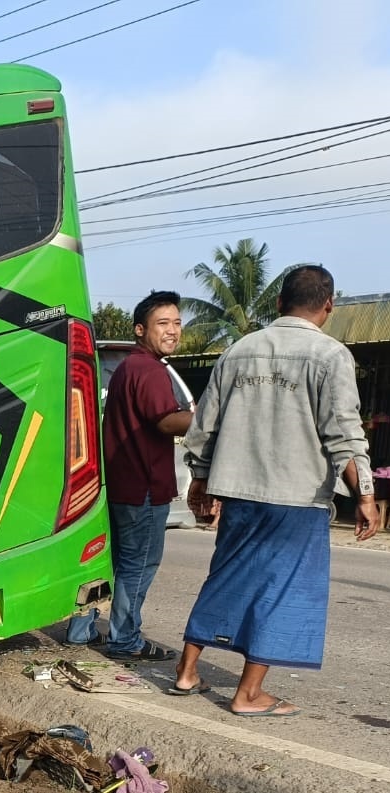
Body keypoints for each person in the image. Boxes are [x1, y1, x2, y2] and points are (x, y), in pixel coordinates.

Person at [173, 265, 379, 716]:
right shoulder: (330, 356)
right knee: (282, 591)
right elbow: (344, 434)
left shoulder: (239, 351)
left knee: (225, 576)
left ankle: (186, 672)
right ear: (329, 306)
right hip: (296, 497)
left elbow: (205, 425)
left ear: (280, 303)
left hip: (240, 492)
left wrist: (201, 481)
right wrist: (365, 495)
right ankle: (247, 695)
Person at [65, 291, 192, 662]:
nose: (172, 331)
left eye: (177, 323)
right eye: (163, 324)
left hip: (122, 484)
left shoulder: (126, 367)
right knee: (138, 564)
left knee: (107, 560)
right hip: (143, 487)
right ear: (141, 330)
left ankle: (80, 629)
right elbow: (166, 420)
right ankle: (125, 639)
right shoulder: (150, 370)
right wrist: (214, 419)